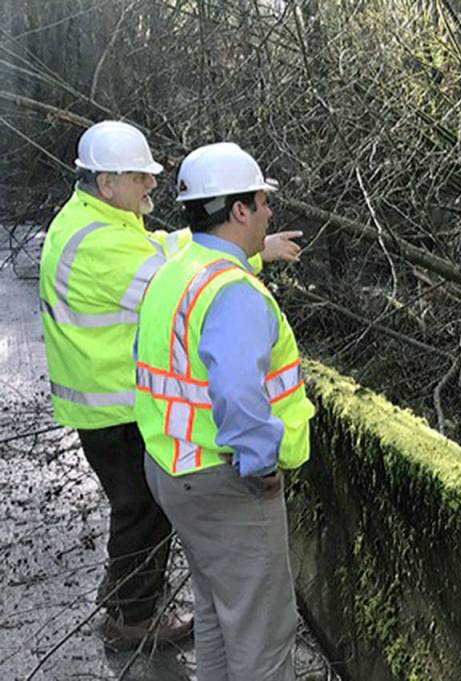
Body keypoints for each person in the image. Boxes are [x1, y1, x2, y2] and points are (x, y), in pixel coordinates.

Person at [38, 121, 301, 649]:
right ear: (107, 182)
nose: (151, 186)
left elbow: (166, 249)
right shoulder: (96, 243)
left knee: (138, 509)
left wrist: (239, 243)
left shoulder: (98, 220)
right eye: (140, 177)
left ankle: (122, 596)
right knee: (140, 513)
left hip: (109, 403)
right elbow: (169, 279)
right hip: (112, 408)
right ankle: (130, 619)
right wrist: (245, 253)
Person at [134, 142, 315, 680]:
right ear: (239, 210)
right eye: (262, 202)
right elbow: (238, 397)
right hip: (226, 481)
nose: (268, 211)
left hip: (172, 466)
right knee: (263, 634)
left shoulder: (177, 268)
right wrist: (262, 465)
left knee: (216, 613)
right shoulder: (234, 294)